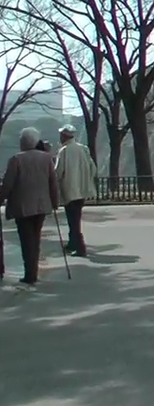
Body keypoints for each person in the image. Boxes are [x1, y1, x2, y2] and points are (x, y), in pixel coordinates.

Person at [0, 127, 59, 289]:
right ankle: (33, 271)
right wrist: (55, 202)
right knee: (35, 237)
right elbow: (53, 183)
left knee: (26, 240)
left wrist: (1, 198)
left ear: (23, 142)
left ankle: (30, 274)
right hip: (41, 205)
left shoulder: (16, 159)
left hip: (22, 206)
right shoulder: (46, 158)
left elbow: (7, 184)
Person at [56, 124, 98, 257]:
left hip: (69, 189)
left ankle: (80, 246)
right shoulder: (83, 149)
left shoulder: (64, 151)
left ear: (64, 136)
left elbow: (58, 172)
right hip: (82, 189)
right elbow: (93, 168)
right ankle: (72, 243)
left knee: (72, 220)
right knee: (76, 217)